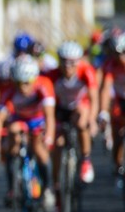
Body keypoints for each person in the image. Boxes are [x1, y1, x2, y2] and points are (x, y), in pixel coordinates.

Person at [0, 54, 57, 212]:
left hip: (38, 119)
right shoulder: (10, 92)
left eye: (27, 83)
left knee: (39, 149)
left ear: (34, 79)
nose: (23, 88)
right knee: (10, 142)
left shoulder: (44, 85)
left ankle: (47, 189)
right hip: (20, 120)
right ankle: (12, 188)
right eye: (19, 83)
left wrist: (49, 136)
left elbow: (50, 116)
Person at [45, 40, 98, 183]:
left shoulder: (86, 71)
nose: (68, 66)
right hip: (61, 109)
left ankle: (86, 160)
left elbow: (94, 98)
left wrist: (92, 120)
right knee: (58, 145)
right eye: (64, 62)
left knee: (82, 123)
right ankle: (56, 185)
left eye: (72, 62)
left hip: (79, 107)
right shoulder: (53, 75)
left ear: (78, 61)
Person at [98, 32, 125, 179]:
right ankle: (117, 164)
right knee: (117, 132)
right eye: (115, 54)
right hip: (120, 99)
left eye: (122, 54)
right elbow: (105, 88)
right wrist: (103, 111)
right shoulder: (110, 65)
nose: (119, 58)